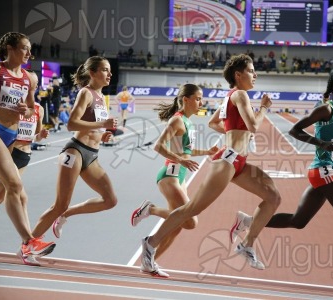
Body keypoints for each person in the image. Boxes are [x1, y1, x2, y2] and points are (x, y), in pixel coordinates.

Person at [232, 70, 333, 290]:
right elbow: (295, 130)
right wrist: (319, 143)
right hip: (323, 171)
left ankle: (247, 222)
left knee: (298, 221)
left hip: (327, 170)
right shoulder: (326, 109)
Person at [139, 54, 281, 276]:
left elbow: (213, 122)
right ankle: (150, 243)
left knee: (273, 197)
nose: (255, 75)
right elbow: (253, 125)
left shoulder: (229, 97)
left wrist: (236, 132)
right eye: (252, 71)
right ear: (238, 75)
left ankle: (246, 243)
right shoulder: (241, 94)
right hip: (228, 160)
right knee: (191, 209)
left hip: (238, 160)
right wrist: (263, 107)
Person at [130, 84, 219, 277]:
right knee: (190, 221)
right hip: (169, 176)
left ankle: (149, 262)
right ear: (185, 100)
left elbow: (185, 150)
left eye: (201, 99)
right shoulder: (177, 121)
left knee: (177, 226)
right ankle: (150, 209)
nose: (201, 103)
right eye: (197, 99)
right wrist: (180, 160)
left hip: (180, 177)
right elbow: (158, 146)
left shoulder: (188, 122)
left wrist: (206, 152)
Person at [31, 56, 118, 243]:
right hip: (75, 151)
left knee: (110, 200)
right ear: (92, 73)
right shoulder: (86, 93)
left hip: (92, 155)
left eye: (109, 70)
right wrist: (104, 123)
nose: (109, 73)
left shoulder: (102, 97)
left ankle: (66, 215)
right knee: (60, 204)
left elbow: (92, 126)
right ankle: (28, 243)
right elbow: (71, 124)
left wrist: (102, 135)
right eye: (104, 69)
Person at [0, 32, 55, 265]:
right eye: (24, 48)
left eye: (30, 49)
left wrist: (24, 111)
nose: (29, 53)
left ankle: (28, 244)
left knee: (7, 191)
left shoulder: (30, 78)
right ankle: (29, 242)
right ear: (9, 48)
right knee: (14, 184)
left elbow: (30, 108)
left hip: (11, 136)